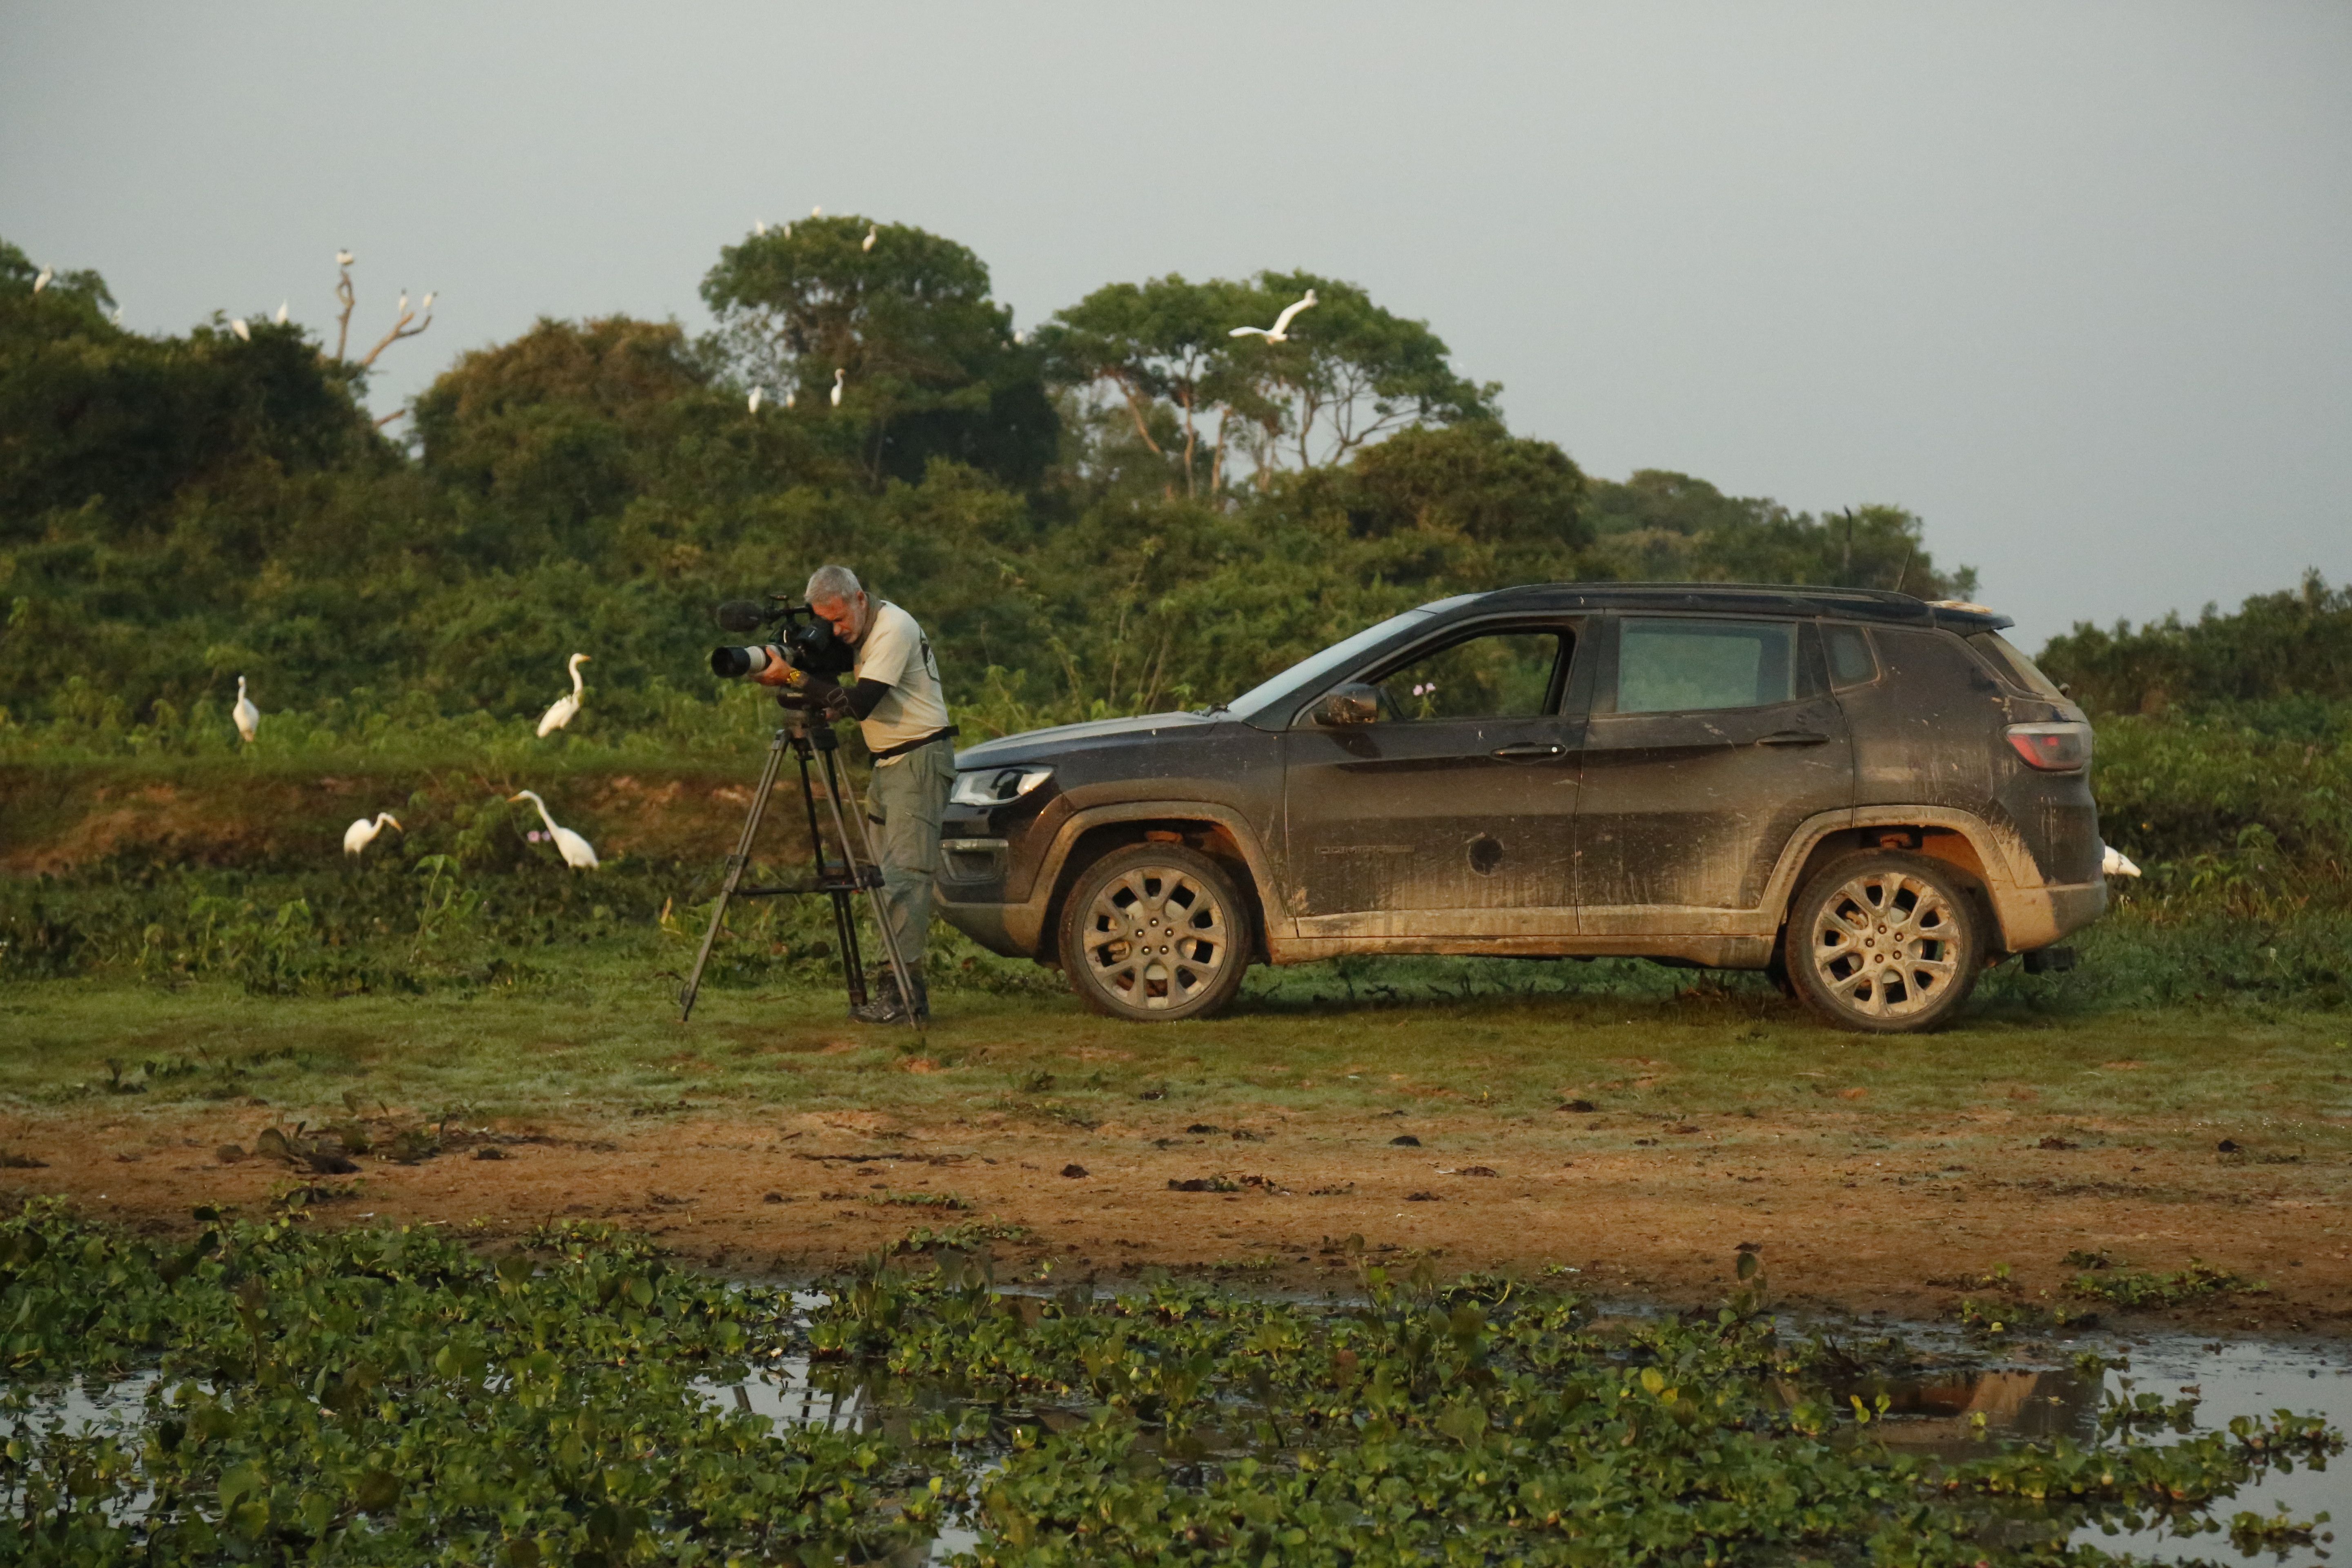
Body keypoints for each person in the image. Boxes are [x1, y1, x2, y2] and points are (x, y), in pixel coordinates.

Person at [782, 564, 954, 1024]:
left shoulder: (893, 627)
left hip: (917, 762)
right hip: (890, 764)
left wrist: (793, 679)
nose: (837, 632)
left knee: (904, 879)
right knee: (885, 880)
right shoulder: (861, 633)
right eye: (827, 623)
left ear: (860, 599)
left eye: (840, 620)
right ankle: (898, 989)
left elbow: (859, 704)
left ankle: (902, 997)